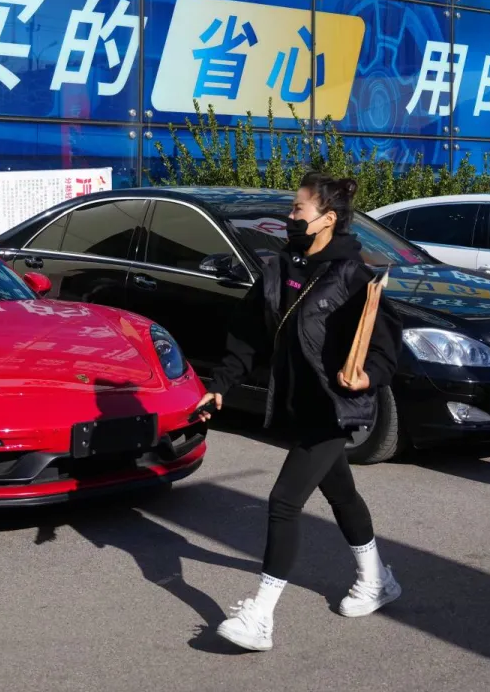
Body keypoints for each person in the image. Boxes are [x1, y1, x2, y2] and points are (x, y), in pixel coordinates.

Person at [196, 172, 402, 652]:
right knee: (342, 495)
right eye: (291, 210)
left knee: (285, 500)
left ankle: (260, 616)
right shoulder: (279, 267)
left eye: (298, 211)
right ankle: (378, 579)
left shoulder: (354, 274)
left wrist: (367, 376)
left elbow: (386, 347)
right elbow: (247, 332)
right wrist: (221, 385)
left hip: (333, 407)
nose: (289, 218)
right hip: (298, 403)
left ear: (327, 220)